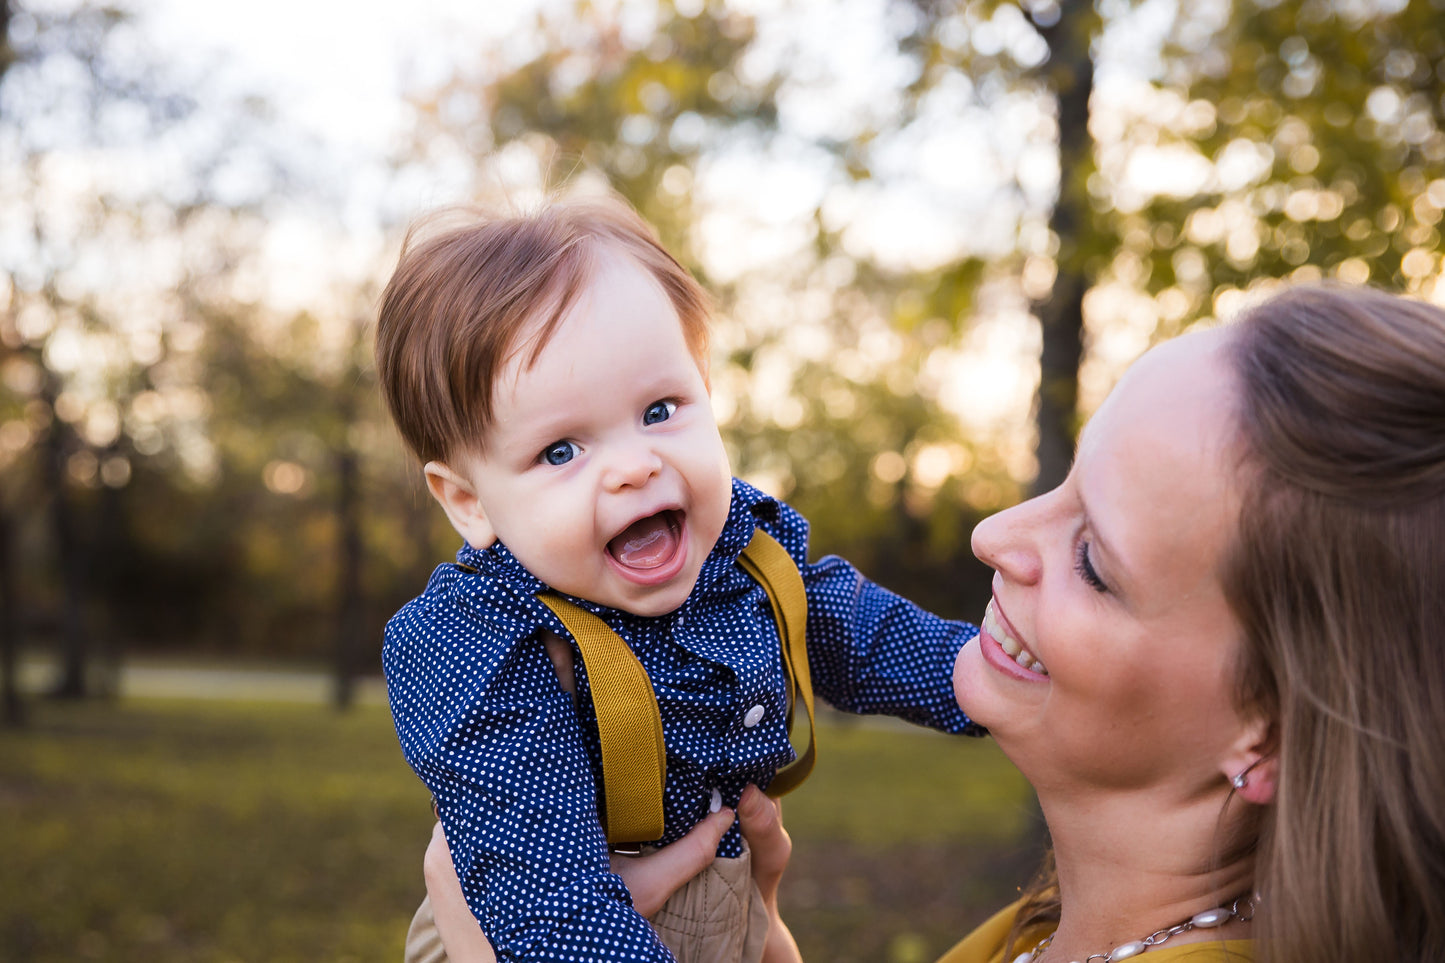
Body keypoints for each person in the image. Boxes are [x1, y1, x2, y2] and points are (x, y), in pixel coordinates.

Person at [422, 282, 1445, 962]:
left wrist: (481, 946)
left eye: (1092, 560)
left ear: (1262, 730)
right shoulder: (1036, 934)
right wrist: (759, 929)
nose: (995, 533)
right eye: (1060, 480)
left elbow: (851, 634)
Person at [374, 191, 983, 963]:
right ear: (469, 502)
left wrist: (984, 674)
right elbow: (546, 897)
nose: (634, 465)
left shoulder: (740, 553)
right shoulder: (483, 638)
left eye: (659, 408)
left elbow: (844, 628)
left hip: (719, 911)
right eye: (562, 451)